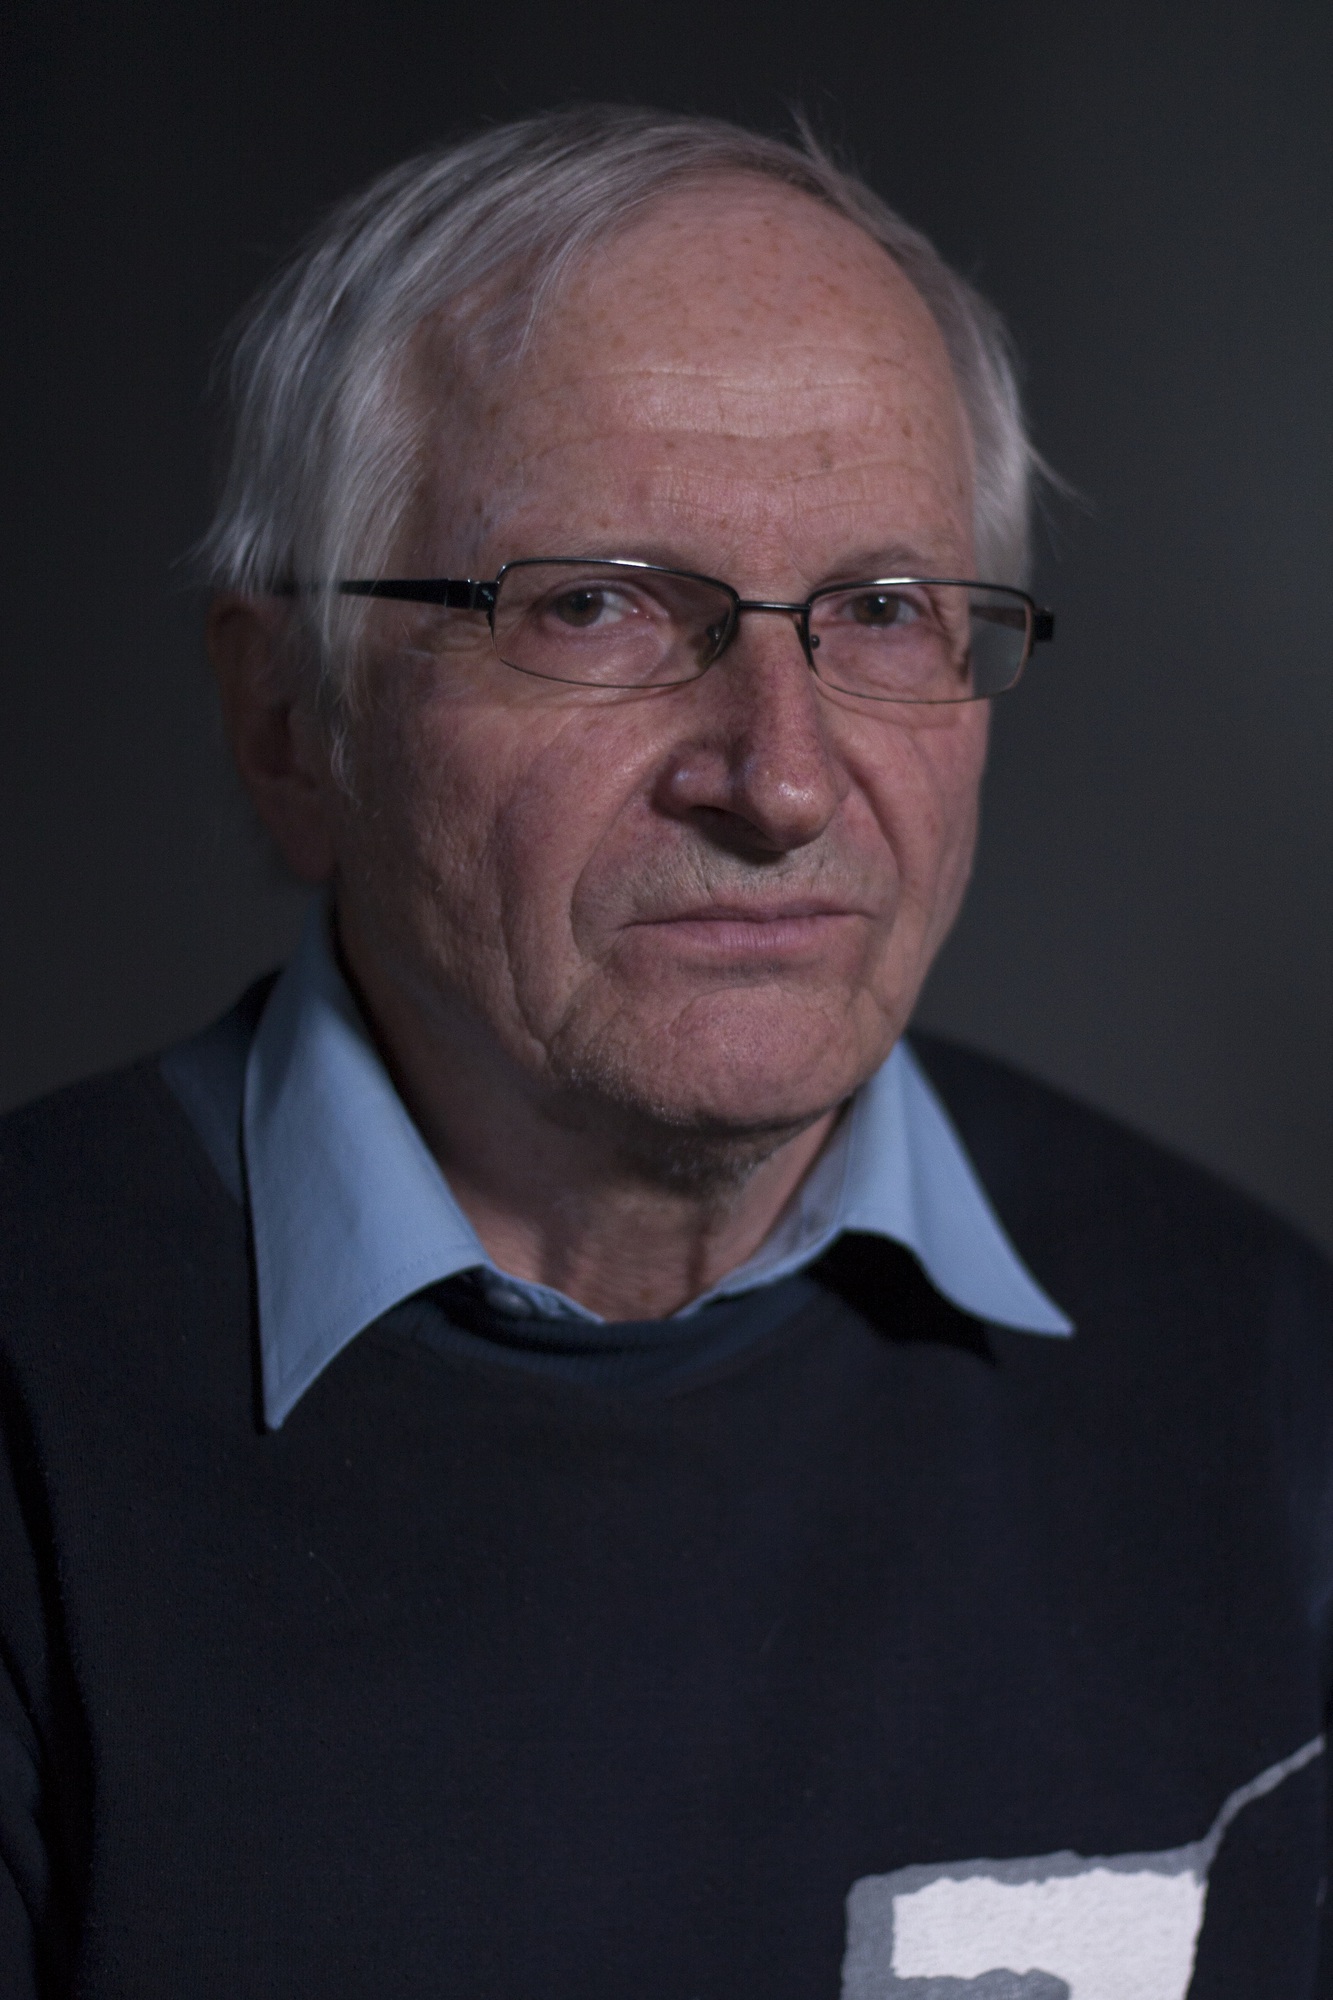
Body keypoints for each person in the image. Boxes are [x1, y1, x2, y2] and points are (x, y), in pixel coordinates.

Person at [1, 106, 1329, 1999]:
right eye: (595, 605)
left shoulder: (1267, 1378)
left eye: (883, 611)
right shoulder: (34, 1405)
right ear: (291, 719)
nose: (777, 780)